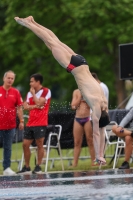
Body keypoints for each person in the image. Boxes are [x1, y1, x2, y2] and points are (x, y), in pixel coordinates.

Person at [14, 16, 108, 164]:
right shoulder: (96, 107)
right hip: (73, 67)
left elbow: (102, 129)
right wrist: (99, 155)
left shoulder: (104, 103)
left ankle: (33, 21)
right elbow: (97, 133)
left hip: (82, 62)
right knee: (50, 42)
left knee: (54, 40)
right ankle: (27, 24)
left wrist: (101, 153)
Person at [17, 73, 51, 174]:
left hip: (41, 122)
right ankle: (27, 167)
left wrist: (34, 97)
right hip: (31, 122)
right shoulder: (29, 93)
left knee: (39, 144)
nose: (30, 83)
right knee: (25, 144)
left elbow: (40, 103)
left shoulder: (46, 91)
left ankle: (38, 166)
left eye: (32, 81)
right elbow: (25, 107)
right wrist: (36, 106)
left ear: (38, 82)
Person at [0, 70, 24, 175]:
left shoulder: (16, 92)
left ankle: (6, 168)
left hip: (10, 125)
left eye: (12, 78)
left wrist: (22, 121)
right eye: (8, 78)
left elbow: (19, 108)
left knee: (8, 147)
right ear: (4, 79)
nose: (10, 80)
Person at [71, 89, 95, 167]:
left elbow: (92, 105)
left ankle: (93, 161)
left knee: (90, 140)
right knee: (77, 142)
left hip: (87, 118)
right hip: (78, 118)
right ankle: (75, 163)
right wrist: (79, 98)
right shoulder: (76, 92)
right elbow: (73, 106)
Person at [92, 72, 109, 163]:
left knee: (100, 134)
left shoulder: (101, 87)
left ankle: (100, 155)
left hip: (101, 112)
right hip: (100, 112)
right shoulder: (102, 86)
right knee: (98, 134)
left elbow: (103, 101)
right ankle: (99, 155)